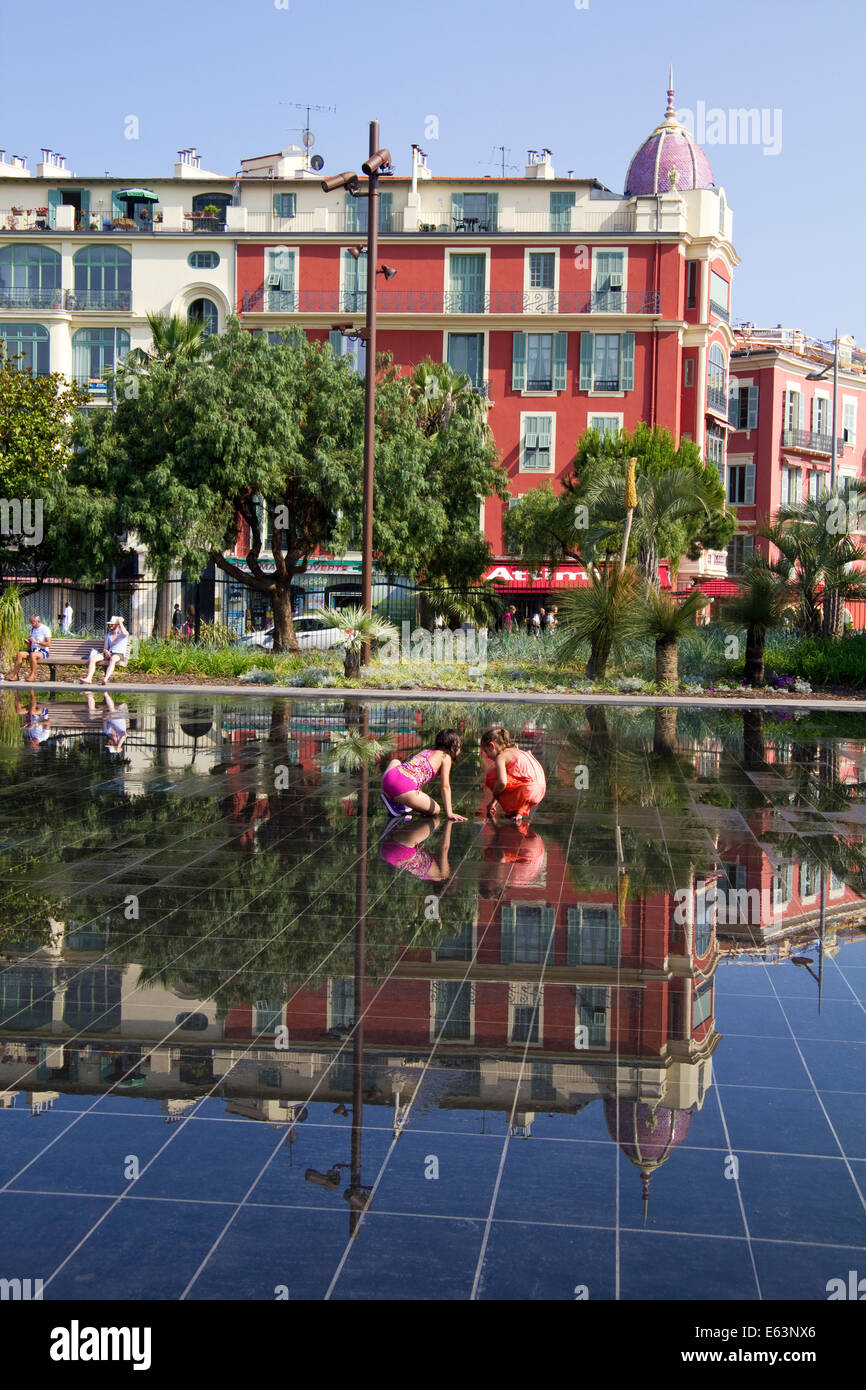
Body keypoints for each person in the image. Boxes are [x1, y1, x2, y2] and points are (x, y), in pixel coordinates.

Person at [380, 729, 466, 821]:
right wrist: (450, 813)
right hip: (403, 787)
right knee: (436, 809)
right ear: (453, 747)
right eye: (459, 746)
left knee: (396, 761)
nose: (460, 750)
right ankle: (395, 801)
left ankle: (393, 798)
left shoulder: (426, 751)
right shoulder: (446, 757)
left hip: (388, 780)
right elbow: (445, 787)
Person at [480, 726, 547, 824]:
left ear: (492, 746)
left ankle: (514, 808)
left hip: (528, 790)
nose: (486, 756)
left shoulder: (501, 758)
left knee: (492, 776)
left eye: (486, 751)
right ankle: (519, 811)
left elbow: (502, 782)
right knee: (510, 779)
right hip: (540, 790)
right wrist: (494, 803)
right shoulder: (516, 750)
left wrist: (494, 795)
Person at [380, 817, 455, 881]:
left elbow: (444, 849)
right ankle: (394, 826)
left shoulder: (444, 875)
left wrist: (449, 822)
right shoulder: (425, 877)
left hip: (404, 850)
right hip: (388, 855)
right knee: (427, 819)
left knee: (435, 820)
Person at [78, 616, 129, 685]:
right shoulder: (108, 635)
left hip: (118, 654)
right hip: (109, 652)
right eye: (109, 624)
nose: (110, 625)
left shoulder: (122, 633)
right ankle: (89, 678)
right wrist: (106, 651)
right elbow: (105, 648)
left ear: (117, 625)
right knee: (93, 658)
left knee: (113, 659)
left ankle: (105, 678)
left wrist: (120, 622)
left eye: (112, 624)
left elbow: (125, 633)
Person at [8, 615, 51, 682]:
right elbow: (31, 644)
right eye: (30, 623)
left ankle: (32, 675)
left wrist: (36, 642)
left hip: (42, 651)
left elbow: (48, 644)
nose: (31, 625)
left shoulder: (45, 629)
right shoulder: (32, 629)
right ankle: (15, 675)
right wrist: (28, 643)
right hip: (32, 650)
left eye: (32, 623)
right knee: (20, 654)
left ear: (38, 621)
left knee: (32, 655)